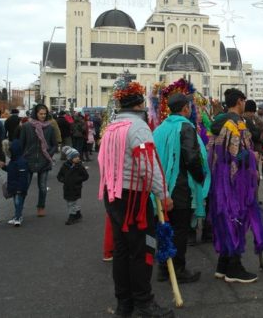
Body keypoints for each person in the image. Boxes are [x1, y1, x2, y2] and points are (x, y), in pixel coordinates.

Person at [98, 80, 174, 317]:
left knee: (121, 251)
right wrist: (163, 194)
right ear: (140, 104)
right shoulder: (138, 128)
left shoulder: (112, 127)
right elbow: (147, 166)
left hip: (113, 195)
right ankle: (143, 302)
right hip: (134, 200)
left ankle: (125, 303)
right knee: (142, 249)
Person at [208, 88, 263, 283]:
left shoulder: (217, 122)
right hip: (236, 181)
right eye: (244, 101)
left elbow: (214, 152)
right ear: (240, 102)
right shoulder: (236, 124)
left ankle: (223, 265)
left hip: (220, 178)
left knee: (226, 217)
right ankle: (234, 268)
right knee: (236, 218)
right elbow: (237, 155)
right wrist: (253, 156)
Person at [153, 92, 207, 284]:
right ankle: (178, 269)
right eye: (190, 106)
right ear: (185, 108)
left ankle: (163, 268)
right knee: (179, 229)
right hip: (180, 187)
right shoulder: (185, 127)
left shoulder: (160, 129)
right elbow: (192, 158)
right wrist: (201, 177)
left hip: (160, 187)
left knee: (164, 226)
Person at [18, 104, 57, 217]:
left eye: (45, 114)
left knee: (43, 187)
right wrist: (23, 157)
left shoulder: (50, 127)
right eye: (41, 114)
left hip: (44, 161)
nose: (43, 116)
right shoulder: (26, 126)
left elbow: (54, 145)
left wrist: (48, 155)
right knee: (24, 187)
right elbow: (21, 143)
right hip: (28, 160)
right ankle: (19, 209)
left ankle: (41, 206)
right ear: (36, 114)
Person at [57, 146, 89, 225]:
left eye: (78, 156)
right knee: (71, 202)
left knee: (71, 203)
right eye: (75, 157)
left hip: (76, 187)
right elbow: (59, 176)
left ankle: (72, 216)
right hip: (67, 188)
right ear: (70, 158)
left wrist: (77, 180)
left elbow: (86, 176)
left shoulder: (79, 166)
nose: (77, 158)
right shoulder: (65, 166)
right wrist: (63, 180)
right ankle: (78, 214)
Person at [4, 139, 30, 226]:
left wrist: (20, 188)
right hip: (15, 186)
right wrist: (3, 167)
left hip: (18, 187)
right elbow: (9, 170)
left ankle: (18, 218)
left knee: (18, 202)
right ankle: (17, 216)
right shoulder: (15, 161)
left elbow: (23, 177)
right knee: (17, 203)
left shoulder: (21, 162)